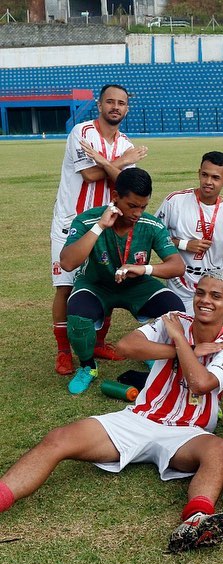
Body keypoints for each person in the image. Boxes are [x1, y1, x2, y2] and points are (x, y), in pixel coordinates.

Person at [0, 271, 223, 553]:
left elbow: (199, 384)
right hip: (138, 418)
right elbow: (126, 346)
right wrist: (184, 346)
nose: (205, 300)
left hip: (189, 433)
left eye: (216, 296)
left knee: (218, 448)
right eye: (201, 292)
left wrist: (178, 342)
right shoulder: (175, 321)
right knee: (59, 439)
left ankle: (195, 521)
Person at [60, 168, 185, 394]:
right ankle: (88, 366)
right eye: (132, 206)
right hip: (96, 285)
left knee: (175, 310)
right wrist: (100, 227)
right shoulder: (88, 219)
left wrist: (144, 269)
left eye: (143, 206)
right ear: (116, 197)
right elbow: (68, 263)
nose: (138, 213)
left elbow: (177, 266)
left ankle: (152, 354)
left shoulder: (151, 225)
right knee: (78, 314)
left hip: (136, 286)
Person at [51, 84, 147, 375]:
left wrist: (110, 162)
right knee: (65, 286)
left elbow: (123, 183)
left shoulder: (125, 142)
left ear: (126, 108)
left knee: (102, 282)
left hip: (106, 222)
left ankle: (97, 343)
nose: (115, 107)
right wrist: (123, 162)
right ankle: (64, 351)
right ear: (99, 104)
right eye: (110, 102)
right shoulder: (82, 132)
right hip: (71, 221)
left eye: (121, 103)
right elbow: (90, 175)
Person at [156, 152, 223, 327]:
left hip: (219, 274)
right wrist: (184, 244)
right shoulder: (175, 201)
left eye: (215, 177)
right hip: (183, 281)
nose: (208, 182)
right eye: (205, 175)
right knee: (187, 330)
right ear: (199, 173)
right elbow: (154, 237)